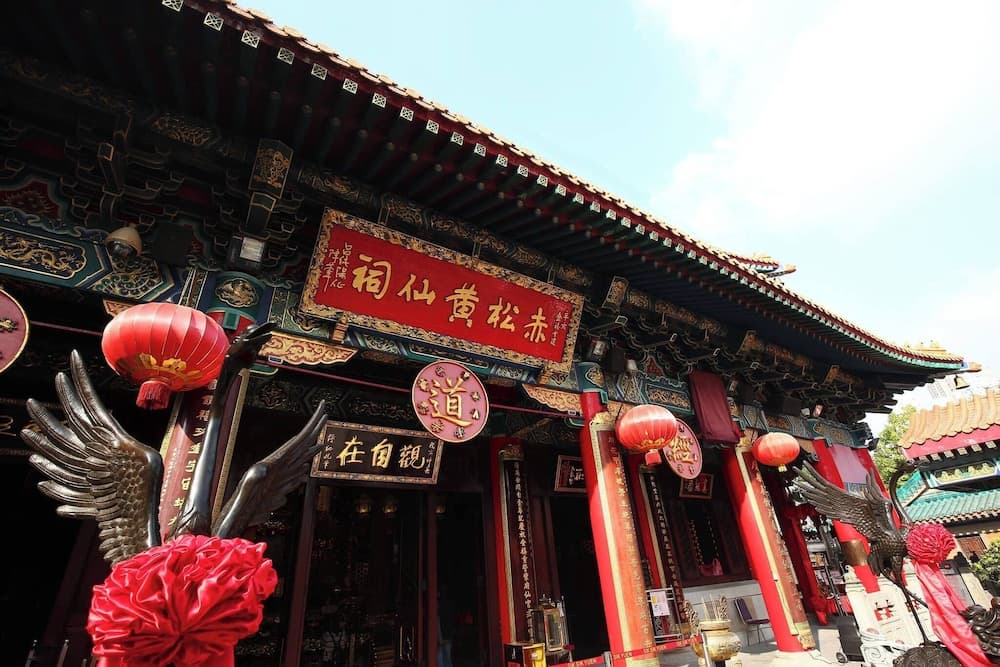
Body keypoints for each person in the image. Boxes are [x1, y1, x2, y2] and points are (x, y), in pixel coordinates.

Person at [437, 585, 456, 667]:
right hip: (448, 635)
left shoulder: (438, 605)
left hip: (441, 635)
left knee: (440, 659)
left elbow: (437, 620)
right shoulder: (450, 604)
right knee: (447, 659)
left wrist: (439, 637)